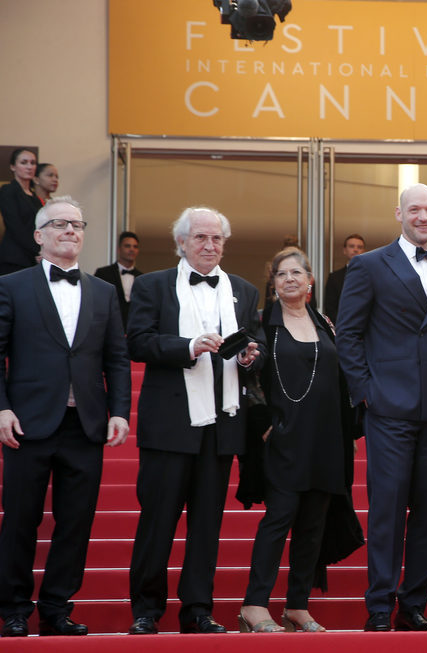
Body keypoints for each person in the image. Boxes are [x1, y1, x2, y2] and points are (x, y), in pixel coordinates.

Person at [127, 206, 265, 635]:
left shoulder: (243, 290)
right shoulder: (153, 285)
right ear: (182, 243)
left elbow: (254, 342)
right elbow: (138, 341)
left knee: (207, 524)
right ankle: (147, 611)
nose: (209, 246)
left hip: (222, 425)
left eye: (217, 239)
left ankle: (198, 610)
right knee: (158, 521)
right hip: (170, 422)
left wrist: (248, 356)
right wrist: (189, 346)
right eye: (200, 238)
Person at [335, 184, 427, 632]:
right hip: (388, 406)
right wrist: (366, 390)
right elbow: (347, 334)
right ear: (399, 214)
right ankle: (378, 605)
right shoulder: (369, 265)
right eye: (415, 209)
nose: (423, 216)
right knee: (387, 507)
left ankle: (413, 604)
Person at [0, 196, 130, 637]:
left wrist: (119, 412)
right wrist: (2, 407)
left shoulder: (104, 291)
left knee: (76, 523)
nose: (71, 230)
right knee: (20, 520)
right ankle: (13, 609)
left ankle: (56, 609)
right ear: (39, 236)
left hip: (86, 425)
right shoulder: (12, 285)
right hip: (28, 424)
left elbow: (116, 358)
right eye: (60, 224)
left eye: (77, 224)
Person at [239, 247, 354, 633]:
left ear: (310, 281)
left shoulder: (324, 322)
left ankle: (297, 605)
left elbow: (340, 378)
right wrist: (263, 421)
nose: (289, 278)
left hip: (325, 437)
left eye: (296, 272)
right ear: (273, 285)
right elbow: (250, 374)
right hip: (284, 437)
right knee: (278, 519)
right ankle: (255, 604)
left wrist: (348, 431)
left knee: (312, 525)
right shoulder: (263, 326)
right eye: (281, 274)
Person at [0, 148, 42, 274]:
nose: (29, 166)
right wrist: (37, 250)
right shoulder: (8, 190)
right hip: (15, 257)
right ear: (13, 166)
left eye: (33, 163)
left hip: (33, 257)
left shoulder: (35, 197)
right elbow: (15, 225)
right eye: (24, 162)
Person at [95, 231, 142, 329]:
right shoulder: (103, 273)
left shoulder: (142, 278)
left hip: (134, 331)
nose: (132, 249)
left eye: (135, 246)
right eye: (127, 246)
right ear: (119, 249)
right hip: (108, 328)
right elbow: (96, 302)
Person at [323, 233, 365, 323]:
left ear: (364, 251)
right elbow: (330, 308)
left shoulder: (372, 275)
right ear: (345, 250)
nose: (355, 249)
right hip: (341, 328)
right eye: (352, 246)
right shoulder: (334, 277)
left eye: (359, 247)